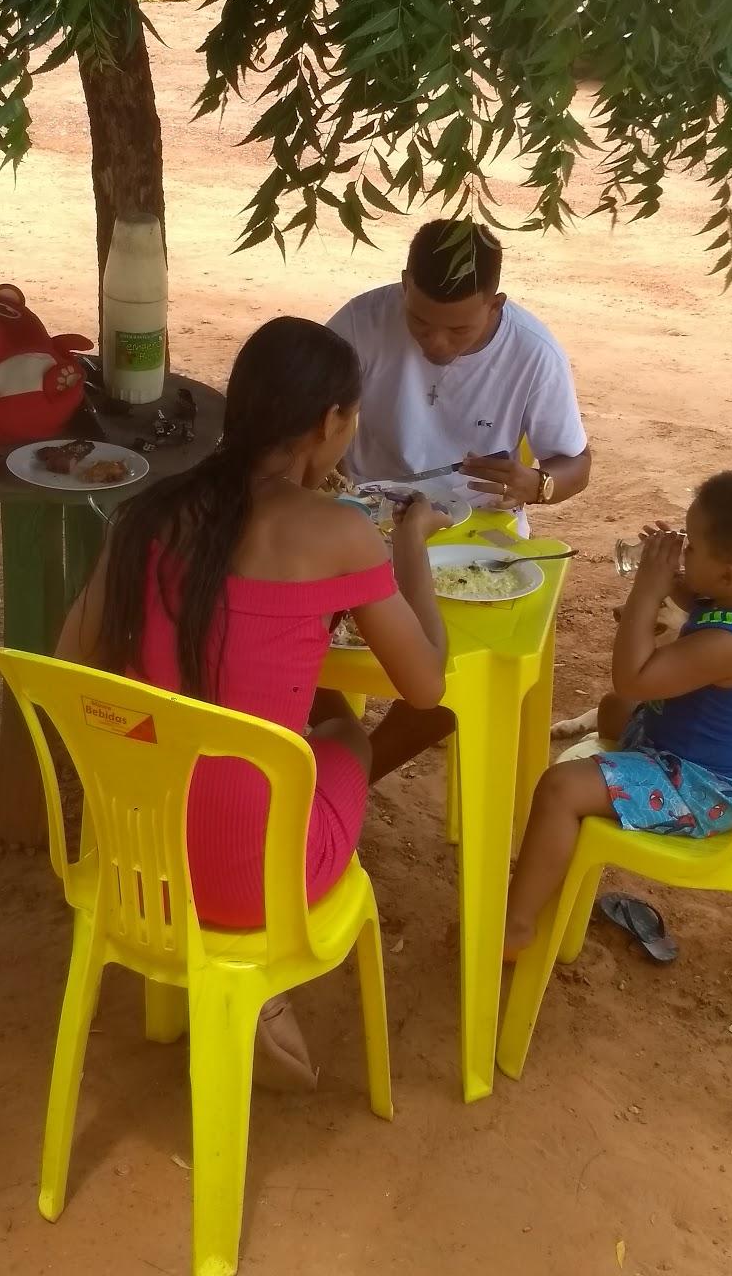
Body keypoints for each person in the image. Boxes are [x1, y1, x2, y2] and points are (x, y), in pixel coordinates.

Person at [54, 316, 449, 1087]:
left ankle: (234, 984)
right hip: (249, 880)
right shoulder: (337, 534)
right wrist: (410, 549)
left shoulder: (146, 514)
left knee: (270, 730)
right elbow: (426, 687)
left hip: (138, 856)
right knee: (347, 734)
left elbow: (74, 668)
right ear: (331, 423)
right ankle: (264, 988)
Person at [504, 469, 732, 958]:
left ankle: (516, 928)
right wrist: (682, 583)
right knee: (613, 712)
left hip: (698, 786)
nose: (680, 550)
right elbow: (700, 609)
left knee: (559, 789)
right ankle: (552, 858)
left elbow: (633, 677)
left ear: (728, 574)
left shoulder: (728, 644)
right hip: (682, 746)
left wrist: (645, 595)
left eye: (690, 547)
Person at [327, 219, 591, 524]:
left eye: (459, 329)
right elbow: (307, 416)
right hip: (372, 511)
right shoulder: (360, 324)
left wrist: (539, 485)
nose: (437, 343)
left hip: (480, 521)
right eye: (420, 322)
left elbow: (576, 464)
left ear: (495, 306)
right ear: (405, 286)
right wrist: (344, 490)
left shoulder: (535, 353)